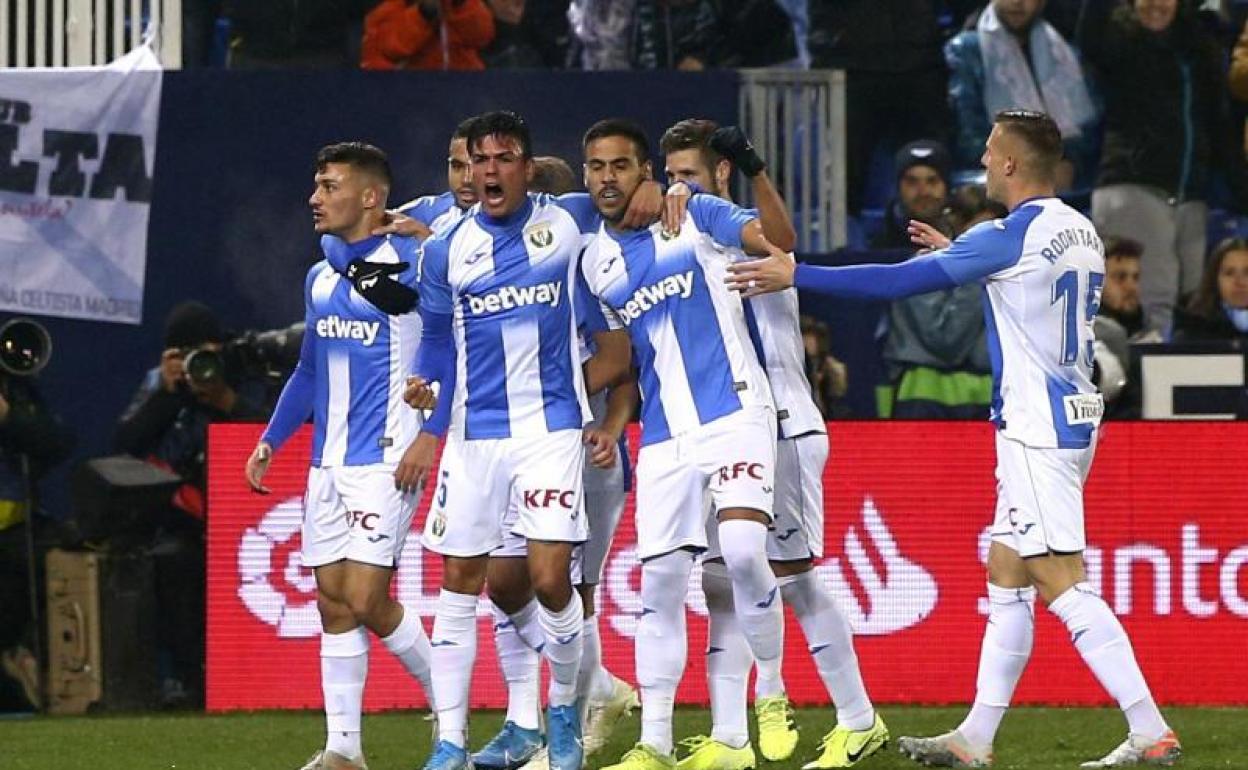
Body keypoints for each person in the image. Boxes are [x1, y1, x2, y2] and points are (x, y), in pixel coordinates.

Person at [729, 110, 1181, 769]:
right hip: (1074, 416)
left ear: (1009, 165)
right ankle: (975, 738)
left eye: (992, 150)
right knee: (1007, 571)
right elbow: (1021, 285)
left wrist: (796, 274)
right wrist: (960, 254)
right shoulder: (1078, 228)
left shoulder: (1007, 234)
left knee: (1060, 580)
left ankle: (1150, 730)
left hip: (1035, 428)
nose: (985, 160)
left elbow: (895, 281)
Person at [658, 118, 887, 770]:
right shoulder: (676, 243)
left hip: (780, 426)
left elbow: (783, 242)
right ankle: (730, 738)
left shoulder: (741, 232)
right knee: (719, 581)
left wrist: (755, 170)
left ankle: (857, 719)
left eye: (691, 177)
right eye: (670, 178)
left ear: (720, 177)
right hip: (716, 431)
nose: (679, 191)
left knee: (794, 576)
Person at [574, 118, 791, 770]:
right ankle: (656, 743)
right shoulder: (593, 260)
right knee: (661, 587)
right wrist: (613, 424)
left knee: (748, 553)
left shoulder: (694, 212)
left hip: (736, 412)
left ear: (647, 170)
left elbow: (773, 241)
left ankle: (774, 692)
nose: (607, 178)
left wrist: (779, 260)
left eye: (620, 165)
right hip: (666, 437)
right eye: (596, 167)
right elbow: (625, 357)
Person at [244, 142, 435, 770]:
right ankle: (344, 750)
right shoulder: (320, 274)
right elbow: (308, 367)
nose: (315, 198)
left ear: (371, 197)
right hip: (327, 461)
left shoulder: (412, 261)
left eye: (329, 186)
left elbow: (449, 335)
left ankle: (451, 711)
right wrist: (272, 437)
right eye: (317, 185)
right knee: (332, 600)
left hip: (386, 456)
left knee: (365, 597)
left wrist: (428, 430)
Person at [116, 300, 269, 705]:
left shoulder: (243, 372)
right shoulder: (161, 386)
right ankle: (189, 681)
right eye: (186, 355)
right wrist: (166, 397)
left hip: (249, 522)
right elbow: (125, 446)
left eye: (205, 352)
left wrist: (225, 400)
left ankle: (253, 679)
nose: (198, 364)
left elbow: (278, 437)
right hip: (186, 521)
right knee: (172, 564)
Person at [1078, 0, 1248, 335]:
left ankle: (1183, 385)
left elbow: (1217, 124)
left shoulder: (1197, 47)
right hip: (1133, 185)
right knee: (1155, 300)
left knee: (1194, 302)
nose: (1156, 4)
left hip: (1189, 195)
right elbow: (1089, 32)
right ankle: (1145, 385)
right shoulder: (1117, 37)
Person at [945, 0, 1098, 188]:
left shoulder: (1064, 52)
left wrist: (1069, 161)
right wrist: (1027, 166)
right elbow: (968, 135)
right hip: (992, 175)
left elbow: (1088, 126)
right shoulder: (965, 51)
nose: (1017, 2)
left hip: (1062, 172)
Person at [0, 338, 75, 711]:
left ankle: (33, 658)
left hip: (14, 532)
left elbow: (57, 441)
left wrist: (8, 418)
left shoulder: (15, 389)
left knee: (63, 559)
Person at [361, 0, 496, 70]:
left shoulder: (458, 6)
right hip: (410, 97)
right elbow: (391, 49)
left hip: (462, 89)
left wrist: (461, 5)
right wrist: (423, 14)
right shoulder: (387, 10)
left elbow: (483, 35)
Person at [1092, 236, 1145, 412]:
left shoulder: (1150, 335)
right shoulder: (1083, 336)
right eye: (1120, 277)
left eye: (1135, 278)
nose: (1131, 287)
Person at [874, 140, 952, 250]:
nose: (923, 192)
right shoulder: (876, 249)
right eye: (912, 182)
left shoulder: (966, 241)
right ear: (898, 188)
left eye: (932, 181)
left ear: (947, 187)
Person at [1172, 237, 1248, 343]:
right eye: (1229, 273)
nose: (1240, 282)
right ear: (1215, 280)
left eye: (1247, 273)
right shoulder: (1192, 332)